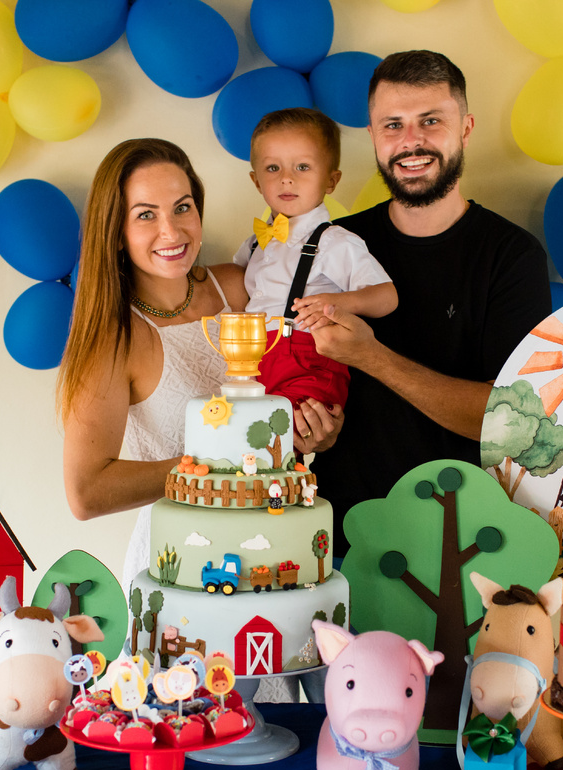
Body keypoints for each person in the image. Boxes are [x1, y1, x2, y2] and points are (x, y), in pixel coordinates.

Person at [309, 50, 553, 554]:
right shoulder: (332, 244)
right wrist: (309, 426)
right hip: (340, 540)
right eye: (392, 125)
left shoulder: (511, 256)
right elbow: (296, 378)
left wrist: (372, 357)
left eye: (430, 121)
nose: (411, 141)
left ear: (465, 128)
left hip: (466, 545)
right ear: (373, 136)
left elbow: (505, 422)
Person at [58, 138, 255, 584]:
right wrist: (215, 467)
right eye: (146, 215)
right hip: (179, 562)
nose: (172, 231)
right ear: (117, 232)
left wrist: (317, 425)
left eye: (182, 208)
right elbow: (86, 492)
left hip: (274, 544)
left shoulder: (239, 288)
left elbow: (291, 391)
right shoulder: (114, 337)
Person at [234, 107, 397, 412]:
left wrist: (339, 303)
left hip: (308, 363)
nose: (286, 179)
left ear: (331, 180)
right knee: (246, 430)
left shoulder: (333, 242)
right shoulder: (254, 244)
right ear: (256, 181)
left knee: (286, 429)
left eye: (303, 167)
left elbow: (387, 297)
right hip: (255, 363)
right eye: (273, 168)